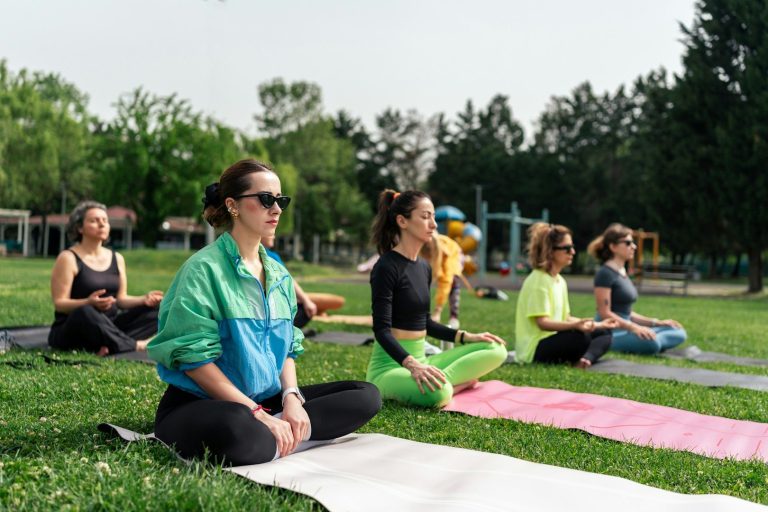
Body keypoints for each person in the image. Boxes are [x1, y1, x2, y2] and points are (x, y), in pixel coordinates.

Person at [147, 159, 381, 466]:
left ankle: (280, 430)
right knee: (237, 429)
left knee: (365, 395)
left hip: (267, 402)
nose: (277, 209)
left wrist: (293, 399)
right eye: (266, 199)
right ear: (233, 205)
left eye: (280, 200)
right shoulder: (202, 270)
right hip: (206, 404)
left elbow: (287, 349)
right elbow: (194, 361)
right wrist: (256, 413)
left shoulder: (279, 275)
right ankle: (277, 433)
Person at [367, 189, 507, 408]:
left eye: (433, 216)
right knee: (438, 394)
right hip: (390, 368)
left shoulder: (424, 267)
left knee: (496, 349)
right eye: (425, 217)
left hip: (424, 360)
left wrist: (468, 336)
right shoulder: (385, 267)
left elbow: (426, 323)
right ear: (402, 221)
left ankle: (442, 381)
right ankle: (448, 385)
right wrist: (412, 365)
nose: (433, 224)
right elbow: (381, 331)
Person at [48, 201, 163, 355]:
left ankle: (110, 344)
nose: (102, 224)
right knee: (85, 311)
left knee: (160, 308)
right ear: (79, 228)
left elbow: (121, 299)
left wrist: (144, 299)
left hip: (111, 324)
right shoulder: (68, 258)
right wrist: (88, 302)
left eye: (105, 220)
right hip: (73, 328)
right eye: (94, 221)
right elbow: (60, 304)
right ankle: (135, 345)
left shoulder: (117, 257)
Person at [515, 223, 617, 368]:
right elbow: (542, 323)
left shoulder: (559, 280)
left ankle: (585, 359)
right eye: (567, 248)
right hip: (534, 350)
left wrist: (598, 324)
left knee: (604, 333)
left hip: (554, 339)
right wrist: (575, 325)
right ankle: (581, 358)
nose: (573, 252)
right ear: (550, 251)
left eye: (572, 247)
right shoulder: (538, 280)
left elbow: (566, 317)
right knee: (579, 337)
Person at [588, 223, 687, 354]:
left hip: (628, 328)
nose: (634, 247)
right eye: (628, 243)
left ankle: (652, 339)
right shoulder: (605, 273)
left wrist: (657, 323)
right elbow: (604, 313)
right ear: (613, 247)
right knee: (652, 343)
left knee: (678, 332)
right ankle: (649, 341)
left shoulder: (622, 272)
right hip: (611, 332)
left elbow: (627, 314)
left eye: (633, 243)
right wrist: (634, 328)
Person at [421, 232, 464, 330]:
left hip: (455, 254)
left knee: (453, 283)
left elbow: (445, 282)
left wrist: (437, 311)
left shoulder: (446, 259)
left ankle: (454, 317)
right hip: (440, 254)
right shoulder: (423, 245)